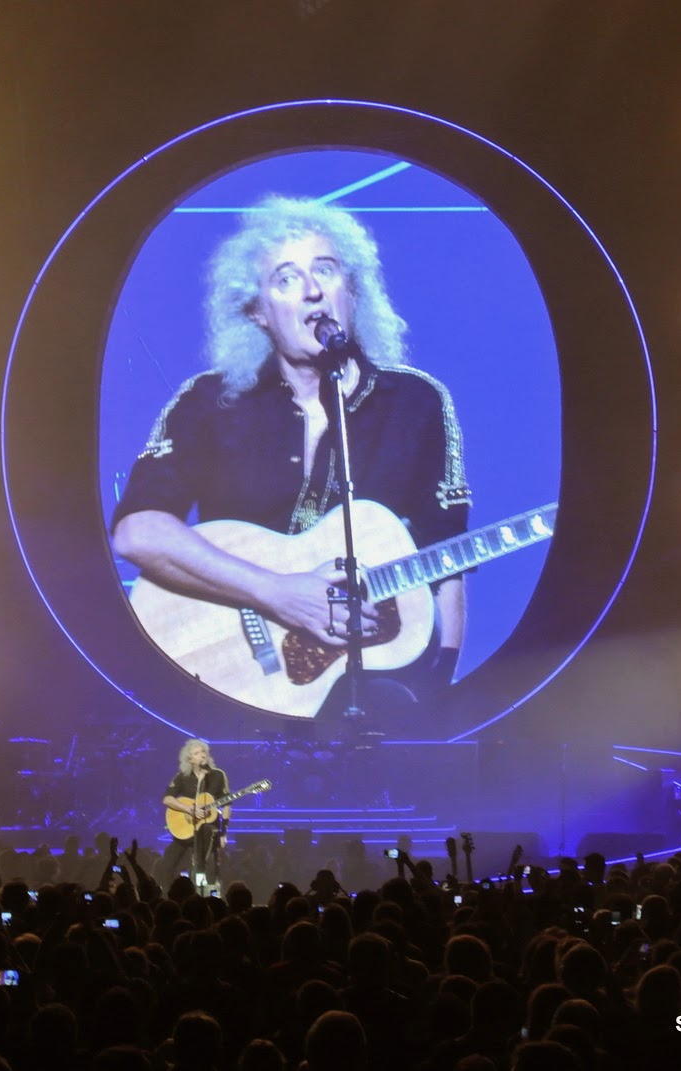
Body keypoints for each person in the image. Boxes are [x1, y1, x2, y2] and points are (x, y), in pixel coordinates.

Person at [112, 196, 471, 711]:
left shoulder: (418, 402)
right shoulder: (209, 401)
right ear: (258, 311)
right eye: (285, 278)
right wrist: (277, 592)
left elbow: (446, 561)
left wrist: (440, 685)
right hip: (222, 670)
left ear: (351, 288)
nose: (311, 291)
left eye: (326, 270)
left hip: (362, 682)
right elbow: (137, 531)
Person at [159, 738, 228, 887]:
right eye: (197, 753)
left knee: (203, 870)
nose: (202, 755)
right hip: (186, 829)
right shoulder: (183, 777)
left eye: (203, 751)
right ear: (189, 759)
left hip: (208, 831)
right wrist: (189, 809)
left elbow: (227, 805)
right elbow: (167, 799)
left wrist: (224, 832)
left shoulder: (218, 775)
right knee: (165, 867)